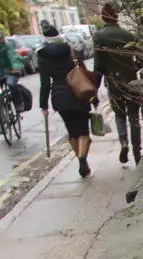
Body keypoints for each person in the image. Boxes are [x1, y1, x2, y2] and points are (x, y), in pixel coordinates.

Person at [37, 22, 94, 177]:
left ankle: (80, 160)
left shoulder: (41, 55)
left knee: (72, 132)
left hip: (59, 98)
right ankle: (83, 158)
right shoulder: (71, 50)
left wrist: (44, 105)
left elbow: (44, 83)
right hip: (78, 94)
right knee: (84, 130)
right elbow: (84, 73)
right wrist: (94, 97)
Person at [93, 2, 143, 165]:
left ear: (103, 17)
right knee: (134, 117)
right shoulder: (128, 35)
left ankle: (123, 141)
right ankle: (137, 152)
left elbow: (98, 66)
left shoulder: (99, 37)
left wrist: (94, 89)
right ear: (116, 16)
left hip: (113, 82)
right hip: (131, 80)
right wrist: (133, 67)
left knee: (120, 114)